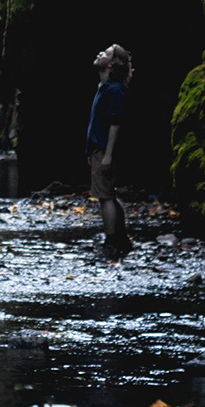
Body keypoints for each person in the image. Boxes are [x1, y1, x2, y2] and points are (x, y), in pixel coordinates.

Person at [82, 44, 133, 260]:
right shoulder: (105, 86)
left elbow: (116, 124)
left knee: (104, 197)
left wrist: (108, 154)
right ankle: (121, 238)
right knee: (109, 194)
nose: (99, 53)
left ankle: (112, 242)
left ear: (112, 63)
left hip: (104, 149)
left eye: (106, 53)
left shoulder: (115, 90)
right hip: (99, 148)